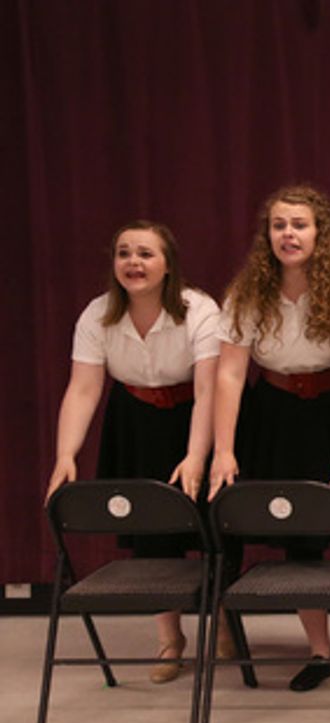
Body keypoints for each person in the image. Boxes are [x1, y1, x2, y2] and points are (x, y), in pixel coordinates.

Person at [207, 184, 330, 692]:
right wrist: (224, 450)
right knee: (299, 536)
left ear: (319, 233)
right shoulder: (246, 293)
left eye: (300, 225)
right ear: (267, 235)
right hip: (276, 415)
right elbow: (229, 375)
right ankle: (320, 652)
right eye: (279, 225)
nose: (289, 234)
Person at [46, 220, 221, 684]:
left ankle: (221, 618)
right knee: (150, 531)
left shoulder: (199, 309)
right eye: (124, 253)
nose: (133, 262)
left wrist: (196, 455)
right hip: (135, 422)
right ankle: (170, 639)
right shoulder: (97, 314)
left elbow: (209, 390)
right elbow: (83, 389)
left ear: (168, 264)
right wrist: (66, 455)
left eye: (145, 253)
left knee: (209, 526)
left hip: (195, 415)